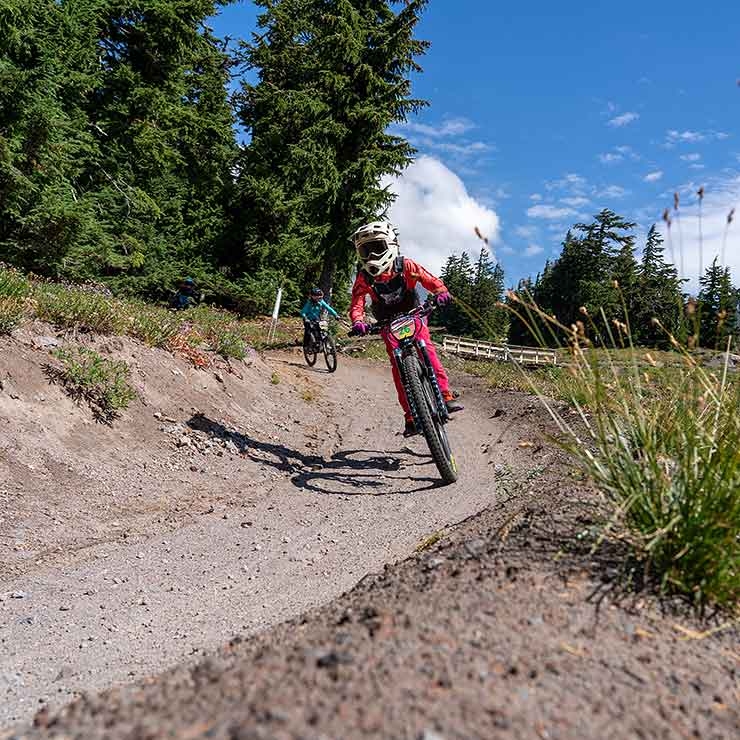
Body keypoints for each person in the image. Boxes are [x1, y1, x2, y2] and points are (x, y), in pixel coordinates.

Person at [348, 221, 463, 437]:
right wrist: (358, 321)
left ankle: (445, 395)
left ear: (391, 245)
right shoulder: (364, 277)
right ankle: (410, 415)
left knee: (427, 350)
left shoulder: (405, 265)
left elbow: (429, 279)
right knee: (398, 368)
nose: (372, 254)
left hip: (414, 313)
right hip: (386, 321)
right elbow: (357, 302)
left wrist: (440, 291)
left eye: (378, 247)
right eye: (366, 250)